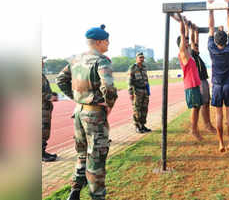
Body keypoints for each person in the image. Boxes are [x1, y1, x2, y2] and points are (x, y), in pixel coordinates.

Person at [56, 24, 118, 200]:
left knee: (82, 154)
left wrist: (77, 98)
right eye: (106, 41)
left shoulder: (76, 59)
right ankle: (97, 196)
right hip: (94, 115)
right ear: (98, 42)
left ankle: (75, 192)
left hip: (79, 112)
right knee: (96, 157)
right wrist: (108, 104)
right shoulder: (101, 60)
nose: (108, 44)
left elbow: (61, 80)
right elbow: (109, 87)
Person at [208, 0, 229, 152]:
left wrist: (211, 10)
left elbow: (211, 29)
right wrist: (228, 10)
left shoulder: (211, 48)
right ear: (226, 40)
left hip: (217, 86)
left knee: (218, 115)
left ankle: (221, 143)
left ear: (215, 40)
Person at [177, 15, 204, 141]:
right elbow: (183, 34)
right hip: (190, 85)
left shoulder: (189, 53)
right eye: (185, 42)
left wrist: (187, 26)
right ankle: (193, 130)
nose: (187, 43)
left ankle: (195, 128)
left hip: (195, 84)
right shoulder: (183, 53)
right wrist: (182, 21)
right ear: (181, 45)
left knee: (198, 106)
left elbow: (186, 35)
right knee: (195, 107)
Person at [189, 23, 217, 133]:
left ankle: (207, 125)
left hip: (203, 81)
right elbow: (192, 42)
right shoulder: (191, 55)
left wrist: (196, 32)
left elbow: (196, 42)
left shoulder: (197, 55)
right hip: (199, 82)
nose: (197, 47)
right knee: (202, 105)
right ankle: (205, 126)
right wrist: (192, 31)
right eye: (195, 46)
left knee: (205, 104)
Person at [128, 52, 152, 133]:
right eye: (140, 57)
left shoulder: (144, 67)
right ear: (136, 58)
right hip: (137, 91)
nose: (142, 59)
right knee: (137, 109)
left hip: (145, 91)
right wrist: (131, 93)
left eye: (142, 57)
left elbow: (146, 80)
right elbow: (129, 81)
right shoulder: (133, 68)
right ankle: (137, 126)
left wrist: (148, 91)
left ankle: (143, 125)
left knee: (144, 109)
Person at [42, 57, 58, 162]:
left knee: (45, 131)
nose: (43, 63)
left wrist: (53, 94)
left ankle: (42, 152)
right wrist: (49, 97)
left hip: (45, 107)